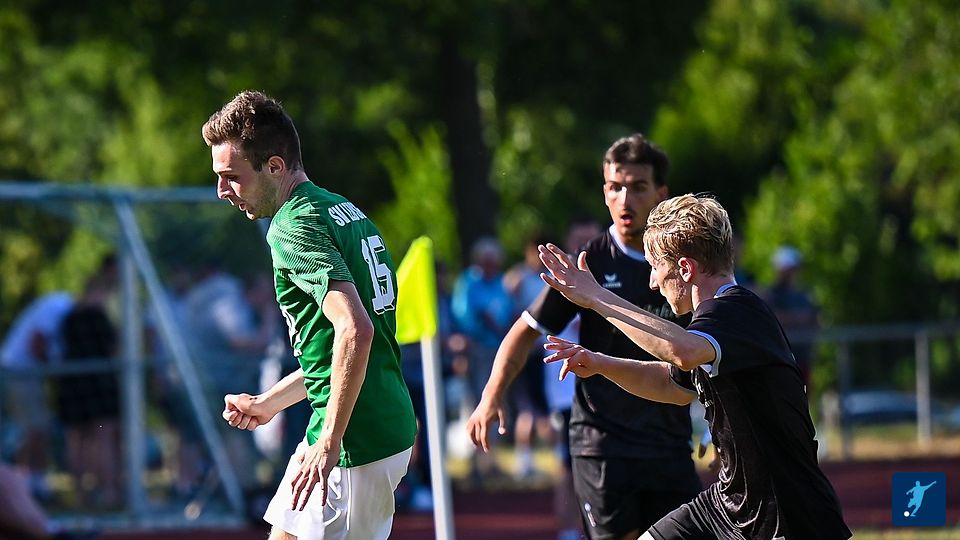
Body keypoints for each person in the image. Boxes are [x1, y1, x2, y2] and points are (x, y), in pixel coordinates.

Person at [539, 193, 851, 539]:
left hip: (786, 514)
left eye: (655, 267)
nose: (652, 282)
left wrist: (596, 297)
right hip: (726, 505)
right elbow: (671, 385)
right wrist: (599, 363)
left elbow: (681, 352)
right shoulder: (711, 326)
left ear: (685, 269)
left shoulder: (735, 311)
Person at [201, 90, 417, 540]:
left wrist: (331, 442)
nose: (222, 191)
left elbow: (356, 331)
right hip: (358, 423)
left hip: (355, 438)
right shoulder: (344, 210)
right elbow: (339, 350)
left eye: (232, 177)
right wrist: (268, 404)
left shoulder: (292, 226)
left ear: (274, 167)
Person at [467, 134, 702, 540]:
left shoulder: (681, 264)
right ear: (604, 192)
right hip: (603, 443)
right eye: (615, 187)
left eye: (638, 187)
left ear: (661, 193)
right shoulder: (588, 264)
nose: (625, 199)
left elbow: (705, 348)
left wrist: (718, 428)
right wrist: (491, 396)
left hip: (669, 441)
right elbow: (525, 330)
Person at [56, 255, 121, 509]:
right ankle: (109, 491)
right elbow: (113, 349)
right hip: (97, 383)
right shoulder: (98, 317)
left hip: (73, 383)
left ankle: (80, 494)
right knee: (103, 436)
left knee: (77, 440)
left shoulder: (69, 317)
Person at [0, 291, 74, 502]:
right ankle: (29, 485)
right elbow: (37, 343)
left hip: (23, 372)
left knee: (37, 428)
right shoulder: (60, 306)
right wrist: (56, 373)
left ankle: (31, 482)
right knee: (36, 427)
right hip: (20, 371)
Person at [764, 246, 818, 387]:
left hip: (803, 358)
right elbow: (773, 318)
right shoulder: (773, 295)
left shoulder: (804, 294)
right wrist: (797, 318)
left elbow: (814, 318)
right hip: (781, 359)